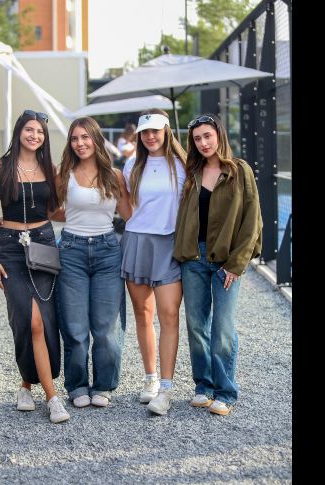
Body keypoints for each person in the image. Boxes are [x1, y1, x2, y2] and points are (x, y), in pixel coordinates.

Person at [0, 109, 70, 424]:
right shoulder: (0, 169)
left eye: (40, 132)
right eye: (29, 130)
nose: (35, 136)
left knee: (44, 320)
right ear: (18, 132)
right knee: (29, 322)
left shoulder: (50, 168)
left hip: (43, 244)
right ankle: (53, 397)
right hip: (9, 251)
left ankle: (25, 385)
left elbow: (54, 210)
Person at [173, 114, 263, 416]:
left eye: (207, 136)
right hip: (194, 259)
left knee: (222, 327)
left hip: (226, 259)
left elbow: (252, 222)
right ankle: (204, 386)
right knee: (196, 326)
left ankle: (226, 391)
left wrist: (236, 264)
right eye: (197, 139)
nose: (203, 143)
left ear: (219, 135)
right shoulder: (192, 172)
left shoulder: (239, 171)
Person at [55, 116, 132, 409]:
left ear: (96, 140)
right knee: (74, 327)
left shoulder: (114, 175)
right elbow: (52, 210)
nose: (80, 143)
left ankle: (103, 384)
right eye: (75, 138)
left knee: (106, 327)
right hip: (71, 250)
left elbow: (129, 214)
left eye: (85, 137)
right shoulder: (64, 174)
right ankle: (76, 386)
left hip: (108, 251)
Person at [120, 108, 187, 415]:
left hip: (170, 243)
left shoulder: (183, 164)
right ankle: (150, 380)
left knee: (169, 314)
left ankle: (168, 387)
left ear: (166, 132)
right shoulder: (132, 163)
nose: (150, 137)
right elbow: (125, 204)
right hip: (137, 241)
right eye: (145, 132)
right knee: (142, 313)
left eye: (155, 131)